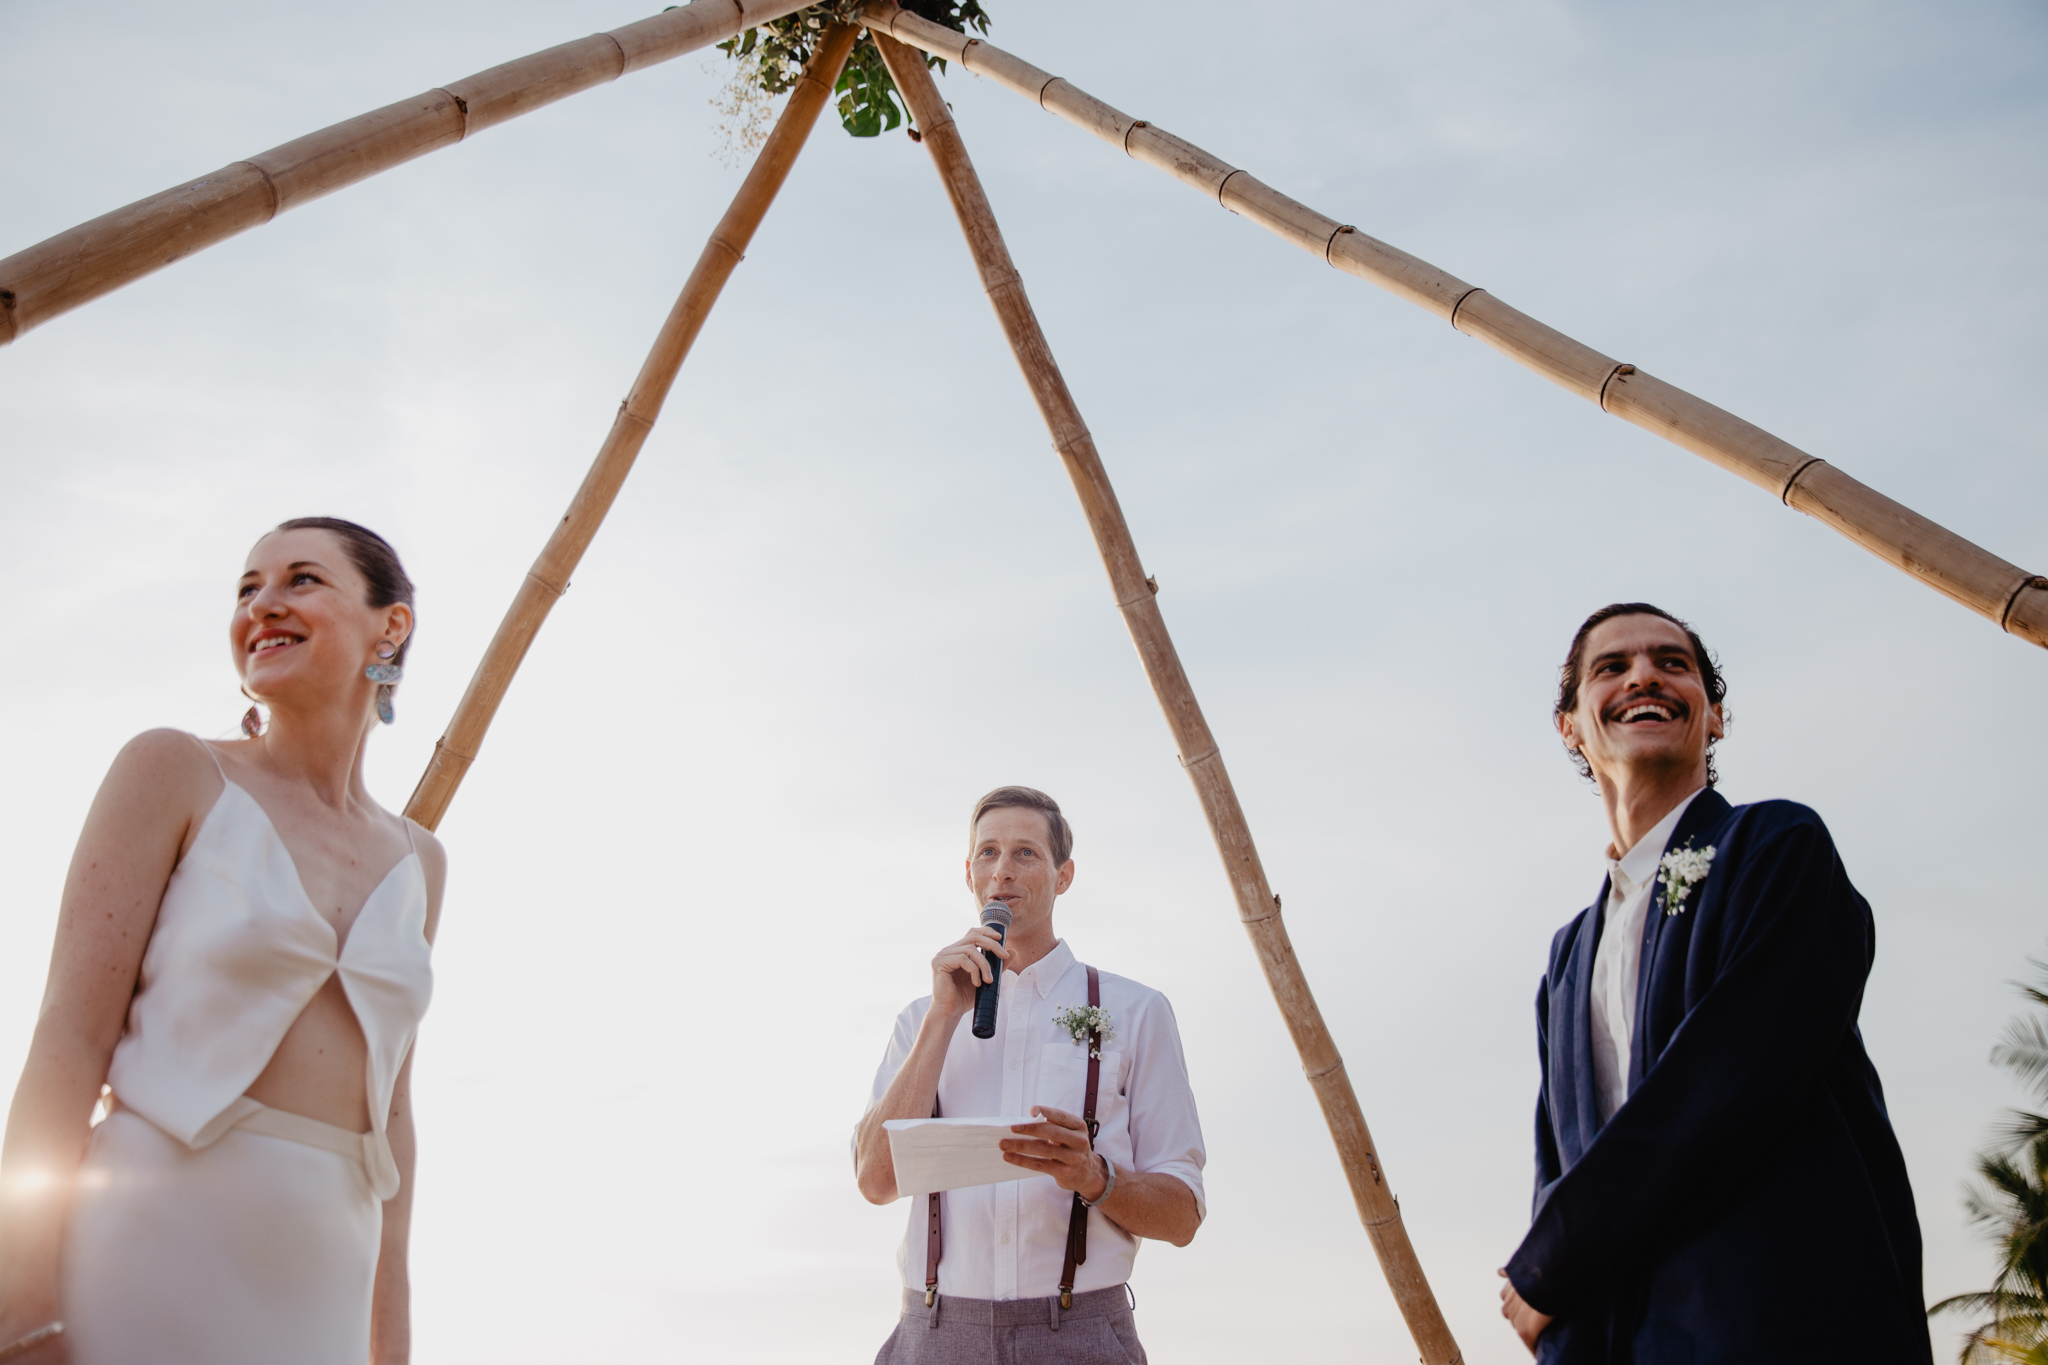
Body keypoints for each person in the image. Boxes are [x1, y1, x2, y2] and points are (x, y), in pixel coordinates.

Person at [0, 518, 446, 1365]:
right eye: (247, 588)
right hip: (145, 1250)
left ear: (391, 626)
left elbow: (394, 1123)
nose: (262, 605)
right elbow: (69, 1033)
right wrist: (18, 1312)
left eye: (300, 579)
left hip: (324, 1287)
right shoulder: (171, 771)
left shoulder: (423, 860)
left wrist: (393, 1347)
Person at [1497, 603, 1932, 1362]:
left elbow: (1730, 1081)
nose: (1644, 676)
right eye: (1612, 667)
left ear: (1715, 715)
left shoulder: (1778, 850)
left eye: (1673, 663)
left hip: (1782, 1328)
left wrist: (1551, 1259)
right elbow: (1561, 1169)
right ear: (1570, 726)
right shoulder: (1567, 961)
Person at [854, 786, 1205, 1364]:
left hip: (1081, 1336)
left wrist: (1096, 1176)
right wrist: (944, 1017)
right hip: (935, 1335)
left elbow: (1184, 1214)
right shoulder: (920, 1018)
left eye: (1025, 853)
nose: (1003, 872)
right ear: (969, 874)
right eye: (988, 853)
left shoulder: (1136, 1011)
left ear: (1063, 876)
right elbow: (875, 1180)